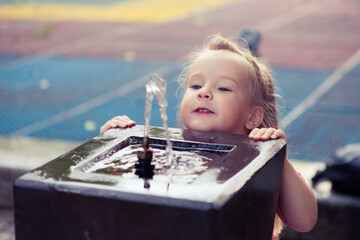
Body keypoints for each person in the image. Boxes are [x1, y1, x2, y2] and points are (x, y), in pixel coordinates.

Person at [99, 35, 318, 238]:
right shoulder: (166, 151)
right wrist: (111, 149)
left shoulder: (257, 159)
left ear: (252, 117)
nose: (204, 93)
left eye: (223, 88)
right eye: (195, 85)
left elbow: (305, 220)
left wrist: (277, 157)